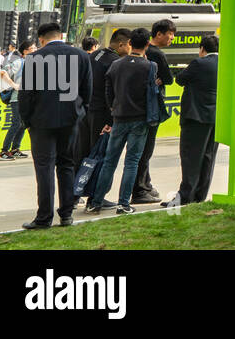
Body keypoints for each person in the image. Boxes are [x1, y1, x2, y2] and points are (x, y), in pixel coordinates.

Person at [17, 21, 92, 229]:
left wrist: (27, 120)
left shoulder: (34, 58)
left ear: (41, 39)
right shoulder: (82, 56)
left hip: (41, 121)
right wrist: (80, 112)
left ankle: (44, 217)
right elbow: (87, 90)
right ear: (61, 35)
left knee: (44, 168)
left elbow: (26, 95)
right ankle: (66, 214)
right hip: (71, 120)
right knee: (67, 165)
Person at [86, 28, 155, 215]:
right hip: (140, 120)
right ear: (147, 45)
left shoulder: (116, 64)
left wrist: (112, 113)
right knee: (132, 162)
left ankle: (96, 201)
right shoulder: (150, 66)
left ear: (130, 43)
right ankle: (124, 204)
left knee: (109, 161)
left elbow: (109, 93)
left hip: (118, 118)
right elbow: (151, 94)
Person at [166, 34, 219, 207]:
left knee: (191, 157)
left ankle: (186, 195)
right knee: (208, 156)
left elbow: (180, 79)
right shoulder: (224, 63)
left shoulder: (198, 63)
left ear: (202, 49)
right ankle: (200, 195)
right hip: (215, 117)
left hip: (196, 116)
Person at [131, 19, 176, 204]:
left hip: (136, 107)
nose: (172, 37)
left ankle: (146, 184)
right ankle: (139, 190)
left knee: (140, 149)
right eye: (170, 34)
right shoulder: (157, 54)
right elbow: (169, 79)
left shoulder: (141, 54)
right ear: (158, 34)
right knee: (145, 150)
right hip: (151, 108)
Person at [74, 28, 130, 167]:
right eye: (130, 45)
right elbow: (115, 93)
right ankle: (91, 186)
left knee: (81, 150)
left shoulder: (95, 54)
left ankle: (77, 184)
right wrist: (111, 120)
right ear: (122, 44)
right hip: (101, 113)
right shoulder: (116, 62)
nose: (131, 49)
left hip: (85, 109)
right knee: (97, 152)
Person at [0, 40, 33, 160]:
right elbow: (2, 73)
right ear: (25, 51)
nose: (35, 50)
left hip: (26, 99)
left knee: (23, 125)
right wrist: (14, 85)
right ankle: (4, 151)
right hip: (16, 99)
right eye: (32, 48)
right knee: (16, 124)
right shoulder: (19, 62)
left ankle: (15, 149)